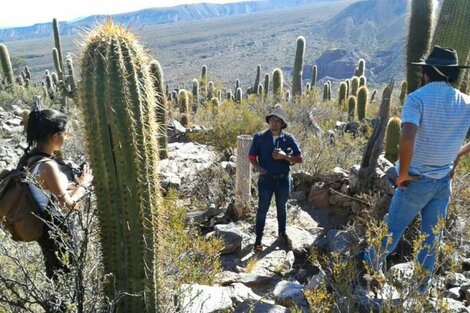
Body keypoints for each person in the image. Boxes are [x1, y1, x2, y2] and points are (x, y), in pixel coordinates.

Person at [363, 46, 470, 291]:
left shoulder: (417, 98)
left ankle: (366, 273)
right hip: (443, 181)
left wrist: (402, 174)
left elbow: (408, 136)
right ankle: (421, 289)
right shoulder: (466, 102)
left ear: (427, 72)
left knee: (392, 230)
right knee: (432, 238)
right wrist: (455, 155)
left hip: (416, 179)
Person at [18, 102, 93, 279]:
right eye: (65, 133)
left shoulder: (30, 158)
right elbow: (68, 207)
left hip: (46, 235)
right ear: (54, 136)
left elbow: (41, 187)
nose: (67, 137)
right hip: (57, 236)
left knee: (56, 278)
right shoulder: (48, 166)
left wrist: (67, 186)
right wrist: (83, 185)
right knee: (67, 279)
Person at [248, 105, 302, 251]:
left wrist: (285, 157)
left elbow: (299, 158)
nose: (274, 123)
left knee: (282, 208)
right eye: (272, 120)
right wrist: (258, 168)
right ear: (269, 121)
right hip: (266, 180)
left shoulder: (288, 138)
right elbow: (251, 157)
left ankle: (282, 234)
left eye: (278, 121)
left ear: (282, 124)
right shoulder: (259, 137)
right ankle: (258, 239)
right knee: (262, 209)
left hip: (283, 179)